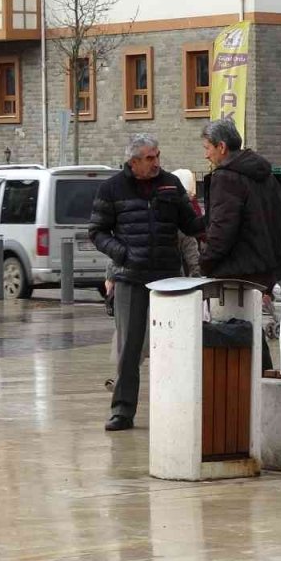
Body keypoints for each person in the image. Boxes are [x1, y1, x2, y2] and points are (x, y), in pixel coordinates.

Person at [89, 134, 203, 432]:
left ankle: (177, 406)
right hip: (131, 279)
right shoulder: (112, 188)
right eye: (150, 158)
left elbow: (190, 225)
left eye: (157, 156)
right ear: (134, 161)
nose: (156, 163)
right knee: (129, 348)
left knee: (173, 346)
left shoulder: (170, 184)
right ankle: (122, 411)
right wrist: (122, 254)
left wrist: (214, 219)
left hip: (169, 278)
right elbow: (97, 231)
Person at [199, 119, 281, 362]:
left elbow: (222, 227)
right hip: (264, 267)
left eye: (207, 148)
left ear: (222, 147)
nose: (206, 155)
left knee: (236, 334)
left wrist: (205, 262)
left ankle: (252, 388)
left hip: (236, 272)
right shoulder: (264, 175)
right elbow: (279, 216)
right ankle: (262, 380)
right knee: (253, 330)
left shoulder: (227, 177)